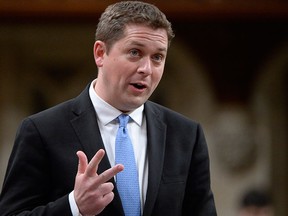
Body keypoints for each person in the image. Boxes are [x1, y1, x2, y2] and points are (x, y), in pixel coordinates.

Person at [0, 1, 216, 215]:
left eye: (157, 57)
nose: (146, 69)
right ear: (100, 53)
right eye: (135, 52)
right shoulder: (42, 131)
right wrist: (74, 206)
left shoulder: (186, 134)